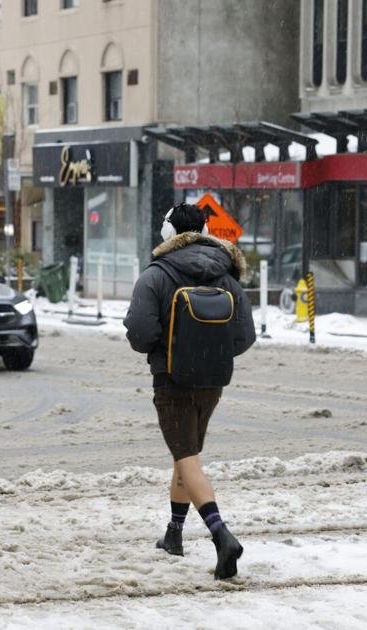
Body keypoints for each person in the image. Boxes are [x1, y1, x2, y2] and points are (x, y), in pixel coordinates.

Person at [123, 202, 256, 580]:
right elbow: (245, 336)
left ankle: (221, 534)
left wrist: (169, 350)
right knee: (186, 454)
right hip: (212, 383)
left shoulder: (156, 275)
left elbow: (141, 335)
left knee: (186, 456)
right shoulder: (226, 274)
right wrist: (210, 353)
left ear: (168, 233)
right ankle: (174, 534)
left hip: (172, 380)